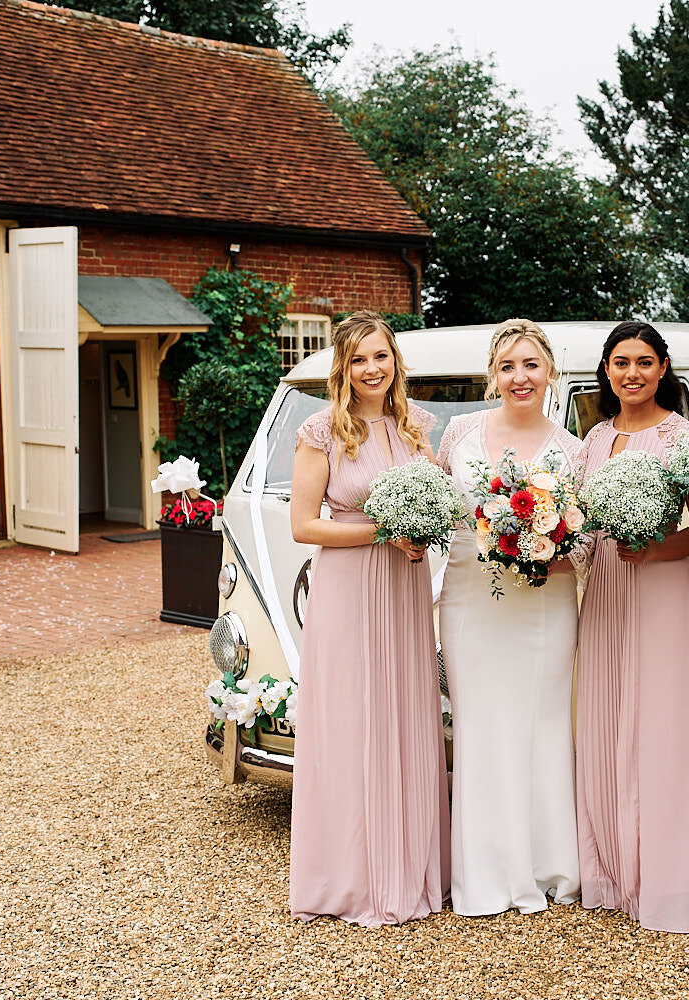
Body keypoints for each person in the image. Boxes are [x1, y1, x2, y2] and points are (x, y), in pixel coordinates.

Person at [288, 311, 449, 927]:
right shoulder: (322, 430)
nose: (372, 368)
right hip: (350, 587)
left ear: (395, 362)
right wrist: (383, 532)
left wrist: (419, 536)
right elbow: (305, 526)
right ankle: (350, 877)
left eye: (381, 356)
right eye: (359, 359)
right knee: (352, 717)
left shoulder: (415, 426)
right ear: (343, 368)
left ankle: (409, 870)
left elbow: (433, 503)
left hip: (404, 589)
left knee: (404, 712)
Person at [436, 318, 583, 915]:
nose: (519, 377)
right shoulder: (459, 433)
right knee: (480, 726)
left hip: (545, 601)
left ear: (550, 372)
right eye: (507, 367)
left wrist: (547, 539)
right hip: (471, 598)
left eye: (530, 365)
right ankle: (486, 872)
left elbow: (584, 539)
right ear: (492, 375)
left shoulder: (574, 450)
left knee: (542, 724)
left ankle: (547, 867)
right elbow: (442, 512)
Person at [574, 322, 689, 933]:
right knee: (605, 722)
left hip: (660, 590)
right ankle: (610, 873)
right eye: (620, 362)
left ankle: (667, 881)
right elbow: (575, 519)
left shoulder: (683, 437)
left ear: (663, 370)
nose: (632, 373)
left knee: (662, 728)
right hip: (605, 591)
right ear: (605, 371)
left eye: (645, 362)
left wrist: (654, 551)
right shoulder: (595, 437)